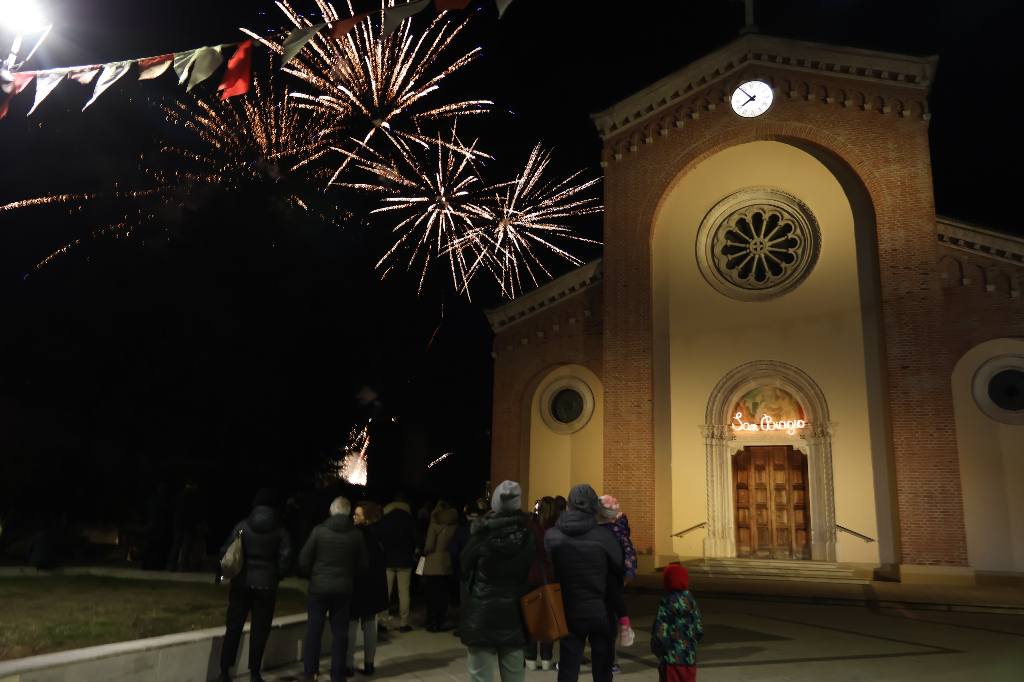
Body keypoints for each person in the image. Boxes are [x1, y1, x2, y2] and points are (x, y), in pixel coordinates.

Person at [459, 480, 536, 682]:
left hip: (481, 613)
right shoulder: (528, 536)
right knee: (514, 676)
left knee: (480, 676)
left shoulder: (481, 534)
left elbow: (463, 565)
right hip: (515, 613)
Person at [544, 484, 623, 682]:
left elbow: (548, 570)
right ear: (594, 508)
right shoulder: (605, 537)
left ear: (568, 506)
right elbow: (618, 571)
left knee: (568, 669)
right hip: (601, 611)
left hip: (568, 611)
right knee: (603, 670)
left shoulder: (552, 535)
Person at [219, 488, 292, 682]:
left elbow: (226, 550)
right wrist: (277, 575)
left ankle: (225, 671)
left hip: (241, 582)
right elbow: (285, 558)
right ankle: (254, 673)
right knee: (260, 630)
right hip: (266, 585)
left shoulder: (243, 526)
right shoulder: (280, 529)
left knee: (233, 627)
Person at [298, 496, 369, 682]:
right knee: (340, 634)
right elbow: (363, 565)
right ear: (348, 513)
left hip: (318, 588)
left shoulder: (319, 531)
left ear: (331, 510)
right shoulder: (356, 535)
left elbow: (303, 560)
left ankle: (310, 672)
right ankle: (337, 674)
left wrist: (312, 576)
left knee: (314, 630)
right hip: (343, 590)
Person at [347, 501, 388, 676]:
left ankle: (348, 665)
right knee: (370, 625)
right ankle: (369, 664)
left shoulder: (354, 535)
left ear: (367, 517)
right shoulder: (379, 535)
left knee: (351, 624)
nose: (354, 517)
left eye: (358, 515)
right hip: (373, 587)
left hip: (357, 586)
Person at [598, 494, 638, 674]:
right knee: (610, 618)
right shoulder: (619, 530)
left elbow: (628, 552)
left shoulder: (600, 530)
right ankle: (609, 660)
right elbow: (629, 552)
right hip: (612, 579)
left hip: (605, 579)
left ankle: (608, 660)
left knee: (607, 619)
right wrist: (629, 572)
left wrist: (628, 572)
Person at [651, 564, 703, 682]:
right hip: (689, 659)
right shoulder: (691, 600)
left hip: (671, 658)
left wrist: (658, 650)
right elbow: (699, 629)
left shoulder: (667, 600)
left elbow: (660, 631)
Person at [525, 496, 557, 671]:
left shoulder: (531, 527)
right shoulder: (556, 528)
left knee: (532, 619)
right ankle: (546, 659)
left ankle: (530, 658)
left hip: (531, 577)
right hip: (550, 578)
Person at [378, 494, 417, 632]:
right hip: (405, 560)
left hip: (387, 560)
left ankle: (382, 622)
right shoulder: (409, 519)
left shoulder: (385, 519)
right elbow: (415, 540)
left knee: (385, 592)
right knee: (404, 592)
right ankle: (403, 623)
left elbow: (379, 538)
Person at [421, 500, 459, 631]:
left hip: (432, 564)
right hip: (447, 564)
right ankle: (440, 621)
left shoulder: (434, 526)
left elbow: (429, 546)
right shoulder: (455, 526)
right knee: (443, 596)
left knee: (431, 595)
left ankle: (431, 622)